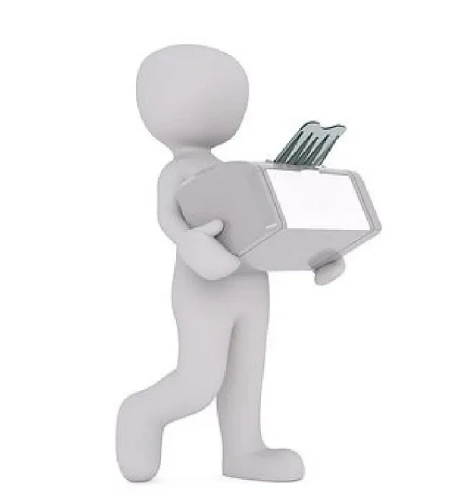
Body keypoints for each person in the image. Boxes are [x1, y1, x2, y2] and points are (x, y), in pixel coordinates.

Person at [116, 44, 345, 482]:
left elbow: (269, 222)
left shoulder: (238, 170)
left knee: (247, 372)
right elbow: (169, 219)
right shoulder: (177, 171)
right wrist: (189, 243)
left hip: (252, 284)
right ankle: (142, 412)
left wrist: (318, 254)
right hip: (204, 286)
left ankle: (244, 451)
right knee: (200, 379)